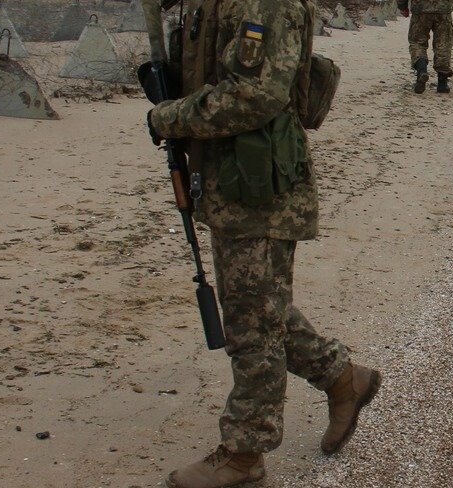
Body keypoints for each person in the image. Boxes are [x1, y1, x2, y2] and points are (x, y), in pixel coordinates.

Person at [145, 0, 383, 485]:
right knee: (257, 308)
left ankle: (244, 454)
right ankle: (343, 378)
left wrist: (170, 117)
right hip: (231, 184)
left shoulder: (266, 4)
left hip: (262, 190)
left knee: (253, 323)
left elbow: (255, 94)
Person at [397, 0, 453, 93]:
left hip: (420, 8)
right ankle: (442, 83)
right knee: (443, 44)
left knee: (417, 43)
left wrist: (402, 6)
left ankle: (422, 71)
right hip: (443, 9)